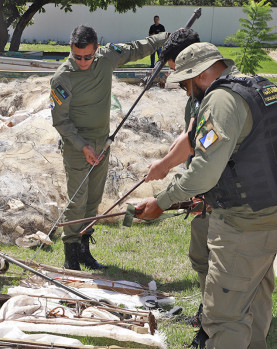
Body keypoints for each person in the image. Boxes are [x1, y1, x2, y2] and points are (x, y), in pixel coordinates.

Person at [136, 42, 277, 348]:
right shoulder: (262, 89)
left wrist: (161, 202)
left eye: (186, 84)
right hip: (268, 220)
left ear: (198, 76)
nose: (187, 94)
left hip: (243, 227)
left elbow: (204, 170)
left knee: (225, 318)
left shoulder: (221, 100)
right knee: (254, 304)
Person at [50, 25, 168, 270]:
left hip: (103, 143)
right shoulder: (62, 77)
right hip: (76, 146)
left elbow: (137, 48)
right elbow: (60, 120)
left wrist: (167, 37)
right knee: (77, 200)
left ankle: (84, 250)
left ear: (97, 48)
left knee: (93, 199)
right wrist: (82, 146)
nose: (82, 61)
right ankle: (70, 256)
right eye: (77, 56)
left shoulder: (107, 57)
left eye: (88, 56)